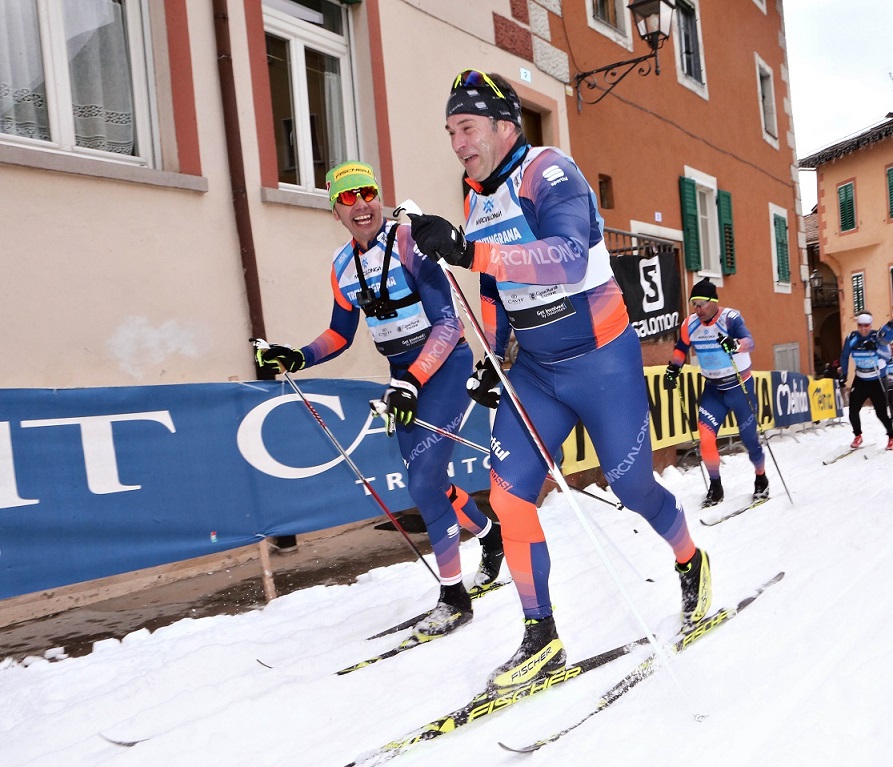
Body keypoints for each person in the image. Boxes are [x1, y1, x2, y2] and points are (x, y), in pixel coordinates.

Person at [408, 70, 710, 692]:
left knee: (632, 488)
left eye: (467, 127)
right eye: (450, 132)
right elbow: (493, 289)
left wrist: (469, 249)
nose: (458, 142)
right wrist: (494, 360)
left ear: (502, 125)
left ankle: (690, 559)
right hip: (536, 373)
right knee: (510, 492)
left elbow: (567, 255)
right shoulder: (475, 194)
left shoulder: (550, 173)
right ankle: (539, 635)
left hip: (602, 360)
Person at [256, 161, 504, 640]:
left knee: (425, 483)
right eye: (347, 198)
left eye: (367, 193)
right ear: (336, 212)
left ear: (379, 198)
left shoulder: (410, 241)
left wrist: (412, 379)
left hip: (443, 367)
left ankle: (453, 598)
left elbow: (449, 324)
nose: (361, 204)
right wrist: (297, 357)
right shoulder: (341, 266)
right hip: (403, 379)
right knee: (427, 481)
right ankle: (490, 537)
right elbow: (339, 334)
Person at [663, 278, 769, 508]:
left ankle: (761, 477)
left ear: (713, 303)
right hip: (713, 390)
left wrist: (735, 345)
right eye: (694, 304)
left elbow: (749, 341)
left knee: (750, 440)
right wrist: (674, 368)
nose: (697, 309)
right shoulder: (689, 324)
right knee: (706, 438)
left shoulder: (730, 318)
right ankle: (715, 485)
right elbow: (681, 348)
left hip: (740, 387)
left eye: (701, 304)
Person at [837, 312, 893, 450]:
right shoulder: (852, 338)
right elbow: (844, 356)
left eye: (866, 325)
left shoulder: (878, 337)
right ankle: (858, 435)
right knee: (853, 411)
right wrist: (844, 374)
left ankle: (891, 436)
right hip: (861, 379)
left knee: (881, 413)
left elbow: (887, 356)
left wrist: (874, 349)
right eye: (860, 325)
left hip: (877, 379)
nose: (863, 329)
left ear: (870, 325)